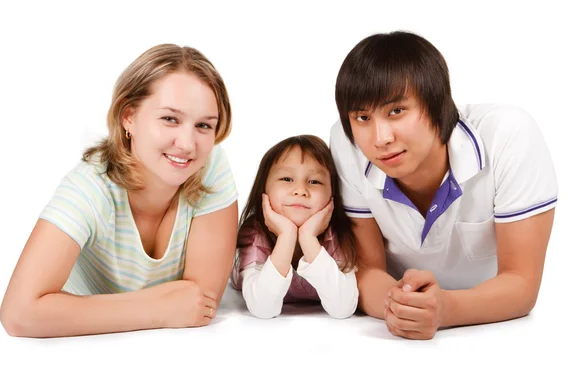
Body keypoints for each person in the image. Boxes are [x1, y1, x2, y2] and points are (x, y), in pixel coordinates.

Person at [330, 31, 558, 339]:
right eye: (362, 117)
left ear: (438, 103)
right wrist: (400, 307)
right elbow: (367, 271)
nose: (381, 138)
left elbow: (522, 282)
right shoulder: (348, 146)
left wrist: (445, 309)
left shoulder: (509, 136)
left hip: (496, 334)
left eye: (396, 111)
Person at [0, 44, 239, 337]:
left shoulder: (210, 165)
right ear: (129, 117)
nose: (188, 144)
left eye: (203, 125)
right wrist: (157, 310)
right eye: (170, 119)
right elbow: (19, 313)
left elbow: (200, 300)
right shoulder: (90, 187)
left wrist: (161, 308)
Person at [230, 135, 359, 319]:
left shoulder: (338, 234)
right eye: (286, 179)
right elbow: (263, 308)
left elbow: (343, 308)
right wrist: (286, 237)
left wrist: (308, 238)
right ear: (263, 190)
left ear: (333, 195)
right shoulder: (254, 234)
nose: (300, 190)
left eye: (314, 181)